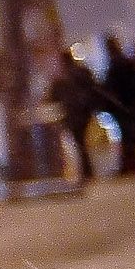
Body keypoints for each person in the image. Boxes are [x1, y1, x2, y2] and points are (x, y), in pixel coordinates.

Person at [100, 33, 135, 175]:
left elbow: (113, 85)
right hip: (133, 104)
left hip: (125, 106)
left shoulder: (116, 65)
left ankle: (133, 164)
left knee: (129, 136)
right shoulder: (127, 62)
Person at [51, 49, 108, 182]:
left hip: (71, 115)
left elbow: (54, 96)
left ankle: (86, 171)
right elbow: (94, 88)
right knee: (82, 141)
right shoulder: (82, 72)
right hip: (84, 113)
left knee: (79, 142)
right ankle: (88, 170)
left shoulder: (62, 78)